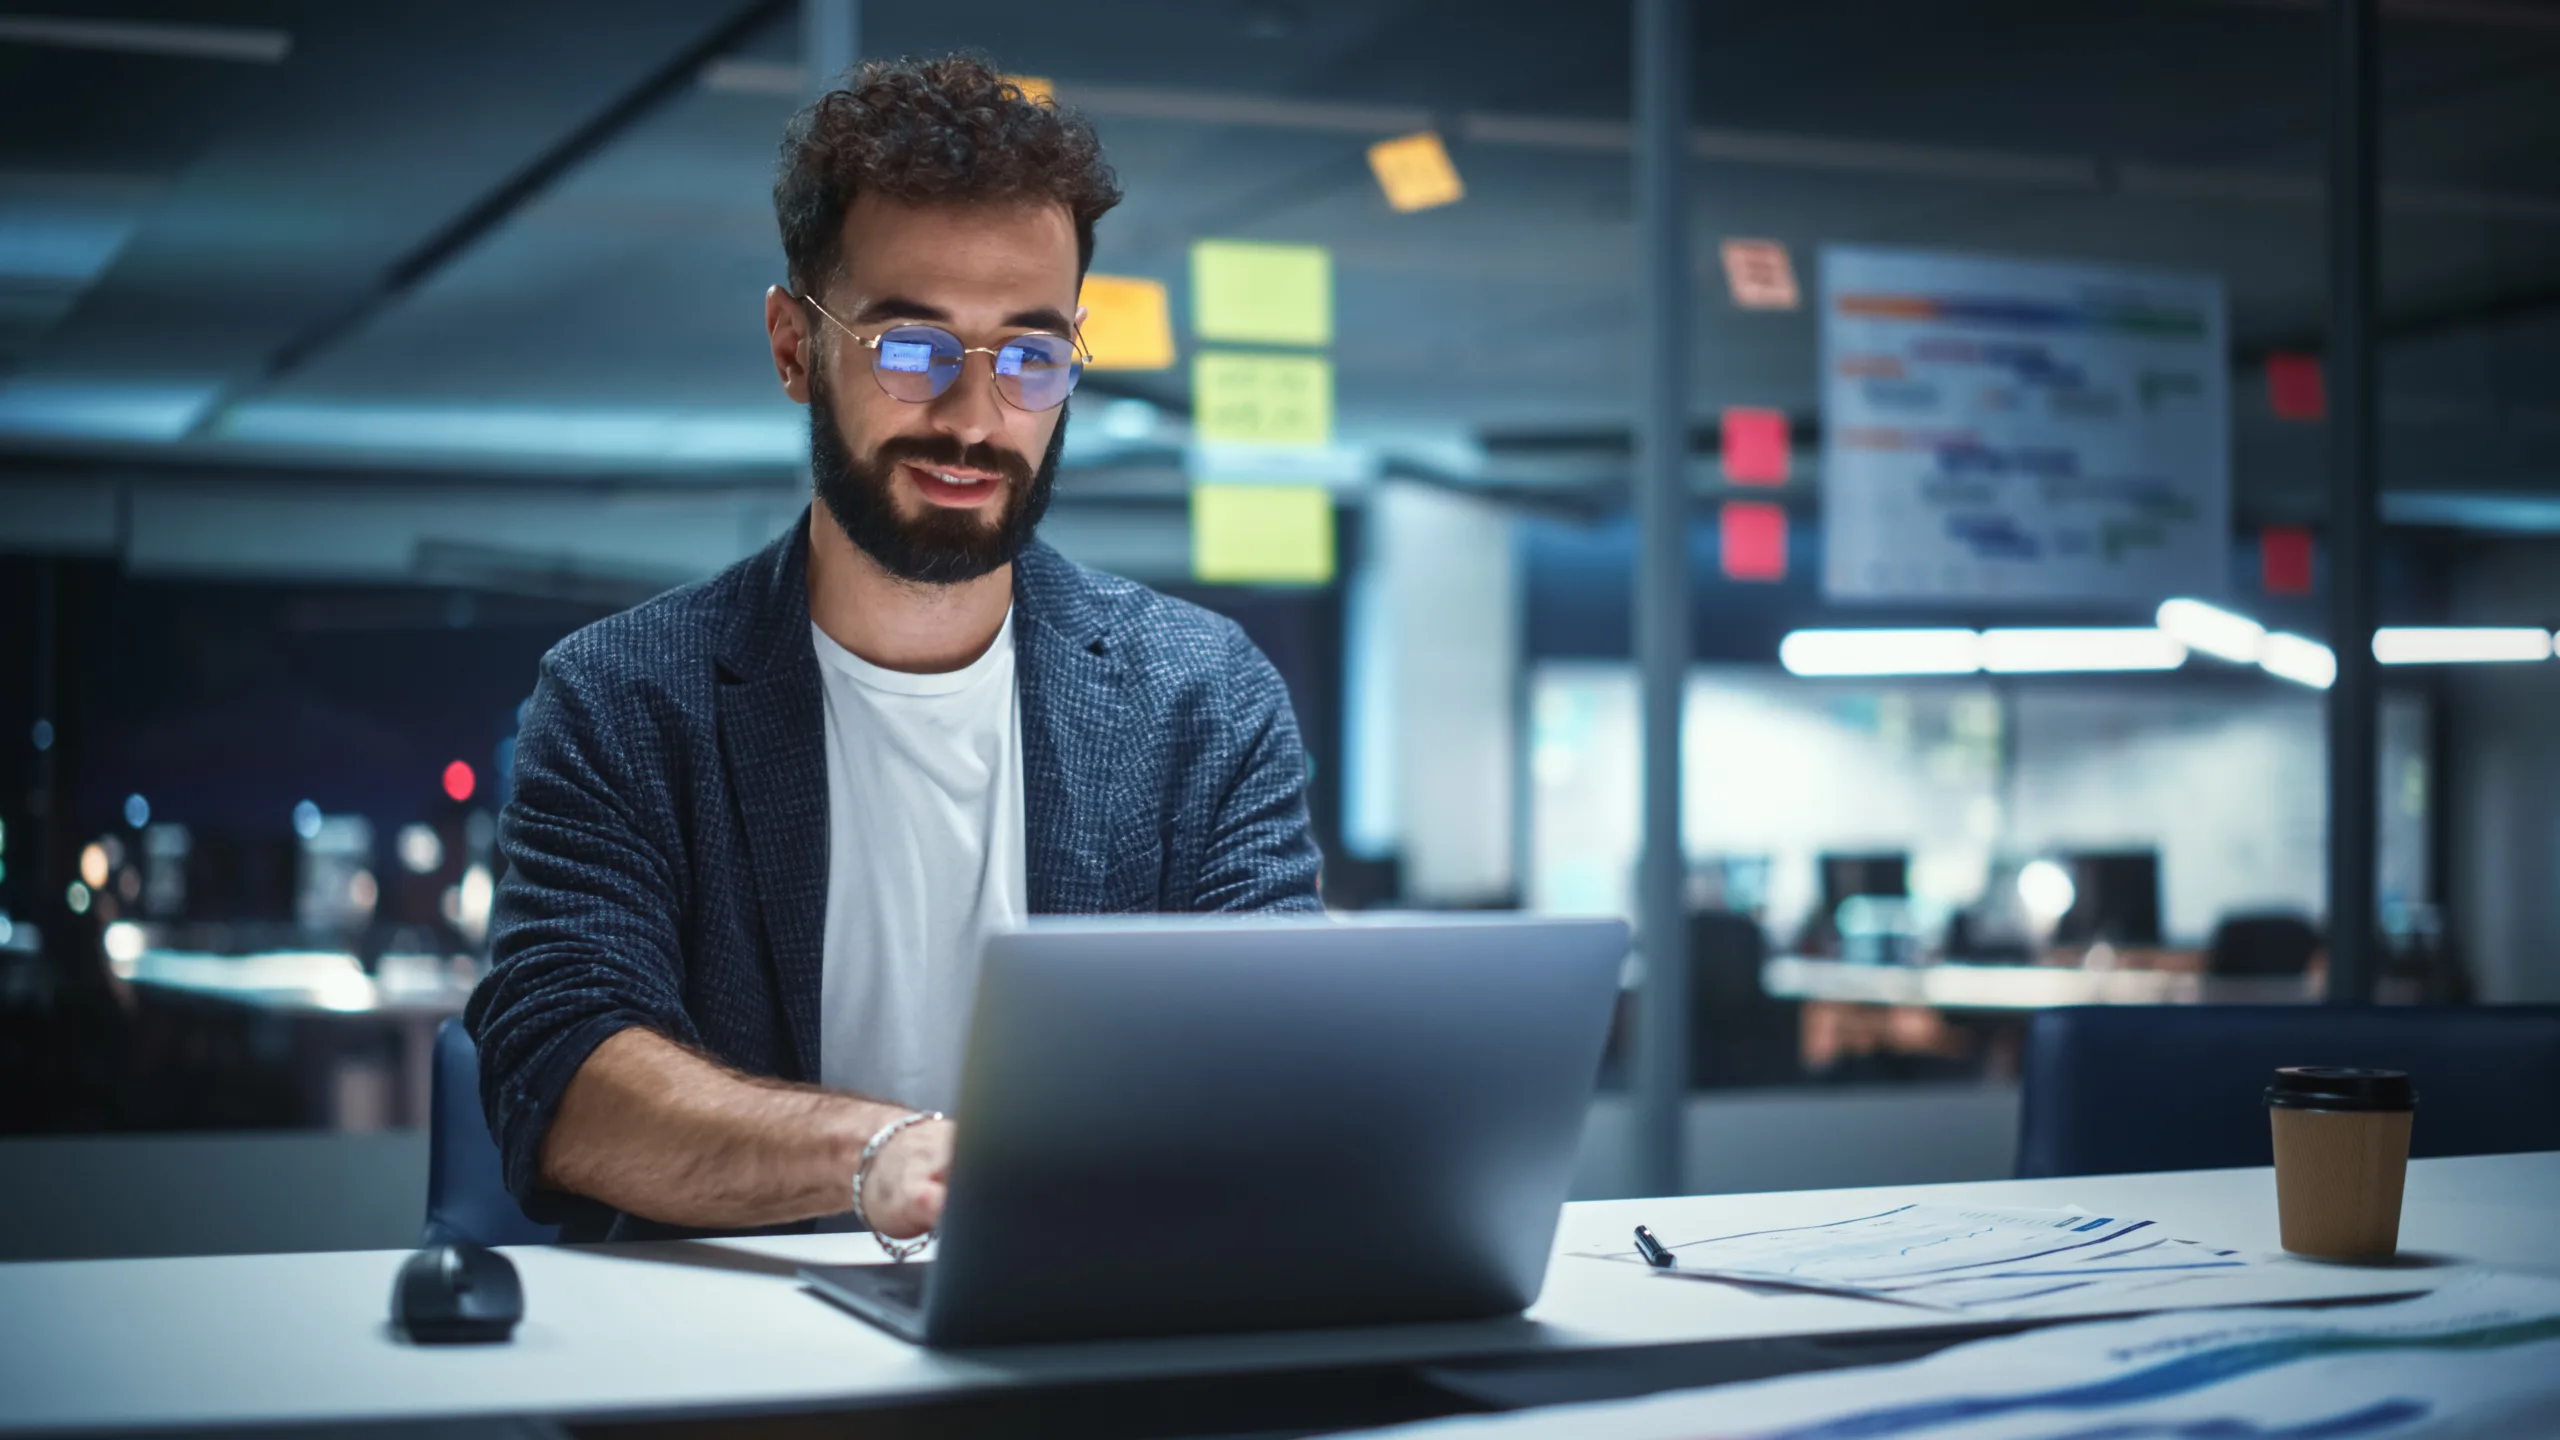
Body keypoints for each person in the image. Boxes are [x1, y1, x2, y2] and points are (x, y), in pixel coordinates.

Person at [465, 54, 1323, 1246]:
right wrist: (877, 1160)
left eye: (1028, 356)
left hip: (1095, 1349)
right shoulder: (624, 698)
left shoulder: (1202, 698)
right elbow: (560, 1081)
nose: (975, 418)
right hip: (743, 1378)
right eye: (912, 351)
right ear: (791, 347)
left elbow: (1278, 1060)